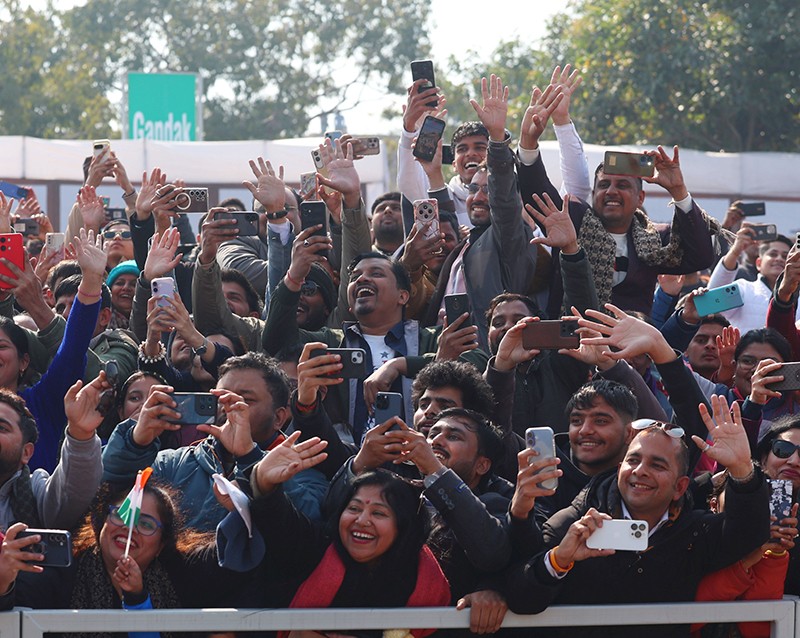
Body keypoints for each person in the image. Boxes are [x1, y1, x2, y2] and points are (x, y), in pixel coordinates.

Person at [501, 395, 769, 638]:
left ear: (680, 487)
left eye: (657, 464)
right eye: (633, 460)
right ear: (619, 469)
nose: (640, 471)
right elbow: (520, 598)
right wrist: (559, 560)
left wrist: (742, 469)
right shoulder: (577, 522)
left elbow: (748, 533)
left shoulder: (695, 530)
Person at [217, 434, 450, 637]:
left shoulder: (423, 577)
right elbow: (280, 523)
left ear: (403, 526)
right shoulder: (314, 548)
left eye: (378, 512)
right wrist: (264, 483)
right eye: (354, 508)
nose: (362, 520)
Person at [519, 108, 719, 318]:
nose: (612, 191)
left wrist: (678, 190)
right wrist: (528, 144)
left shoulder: (656, 237)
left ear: (640, 197)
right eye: (604, 184)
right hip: (572, 342)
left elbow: (701, 257)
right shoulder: (573, 219)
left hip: (631, 346)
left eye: (622, 185)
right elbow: (538, 194)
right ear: (594, 192)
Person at [102, 352, 327, 530]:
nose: (228, 406)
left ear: (278, 417)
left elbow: (309, 530)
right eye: (219, 398)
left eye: (245, 399)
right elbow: (115, 504)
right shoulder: (172, 463)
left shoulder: (302, 468)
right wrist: (134, 444)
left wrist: (250, 457)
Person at [421, 75, 553, 349]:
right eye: (472, 189)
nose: (478, 197)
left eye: (487, 190)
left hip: (487, 358)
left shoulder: (509, 237)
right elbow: (444, 216)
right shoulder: (467, 243)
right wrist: (433, 173)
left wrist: (496, 139)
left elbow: (504, 204)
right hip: (445, 358)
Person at [0, 482, 243, 621]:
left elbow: (242, 556)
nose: (129, 528)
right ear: (101, 524)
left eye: (146, 524)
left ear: (161, 545)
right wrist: (3, 579)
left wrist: (244, 504)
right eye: (121, 514)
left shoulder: (182, 576)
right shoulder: (61, 574)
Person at [708, 229, 797, 334]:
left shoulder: (798, 297)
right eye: (773, 254)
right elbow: (710, 303)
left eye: (785, 256)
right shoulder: (745, 289)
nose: (779, 259)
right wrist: (734, 252)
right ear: (758, 263)